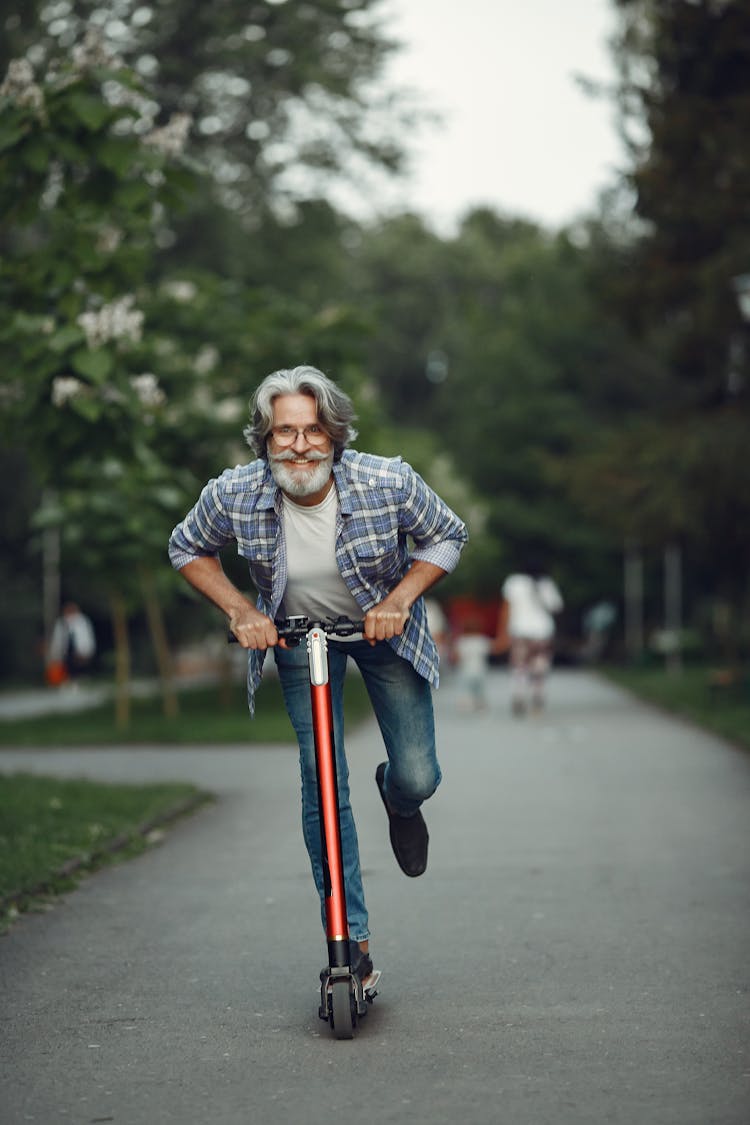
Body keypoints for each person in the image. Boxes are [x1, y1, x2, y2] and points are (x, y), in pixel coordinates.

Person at [168, 365, 467, 982]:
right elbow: (186, 547)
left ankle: (400, 801)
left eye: (312, 431)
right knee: (321, 779)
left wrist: (398, 600)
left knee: (418, 774)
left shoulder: (387, 480)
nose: (299, 445)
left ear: (334, 435)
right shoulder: (235, 492)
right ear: (264, 439)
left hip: (382, 634)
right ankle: (350, 942)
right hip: (300, 640)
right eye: (284, 432)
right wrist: (242, 609)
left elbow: (446, 535)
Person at [501, 565, 563, 715]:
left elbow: (506, 607)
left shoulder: (513, 581)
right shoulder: (546, 583)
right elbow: (557, 607)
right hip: (542, 631)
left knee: (520, 665)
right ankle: (537, 696)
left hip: (520, 630)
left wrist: (503, 632)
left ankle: (519, 694)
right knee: (539, 665)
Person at [47, 601, 96, 685]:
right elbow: (57, 638)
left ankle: (81, 680)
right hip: (66, 649)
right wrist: (55, 651)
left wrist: (86, 649)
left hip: (79, 648)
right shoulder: (61, 622)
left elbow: (86, 636)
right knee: (67, 665)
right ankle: (68, 680)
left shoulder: (82, 621)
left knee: (79, 665)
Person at [453, 616, 491, 711]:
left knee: (466, 688)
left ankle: (465, 703)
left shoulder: (462, 641)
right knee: (479, 688)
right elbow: (491, 649)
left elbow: (457, 656)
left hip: (465, 671)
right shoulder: (482, 640)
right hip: (479, 670)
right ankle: (480, 703)